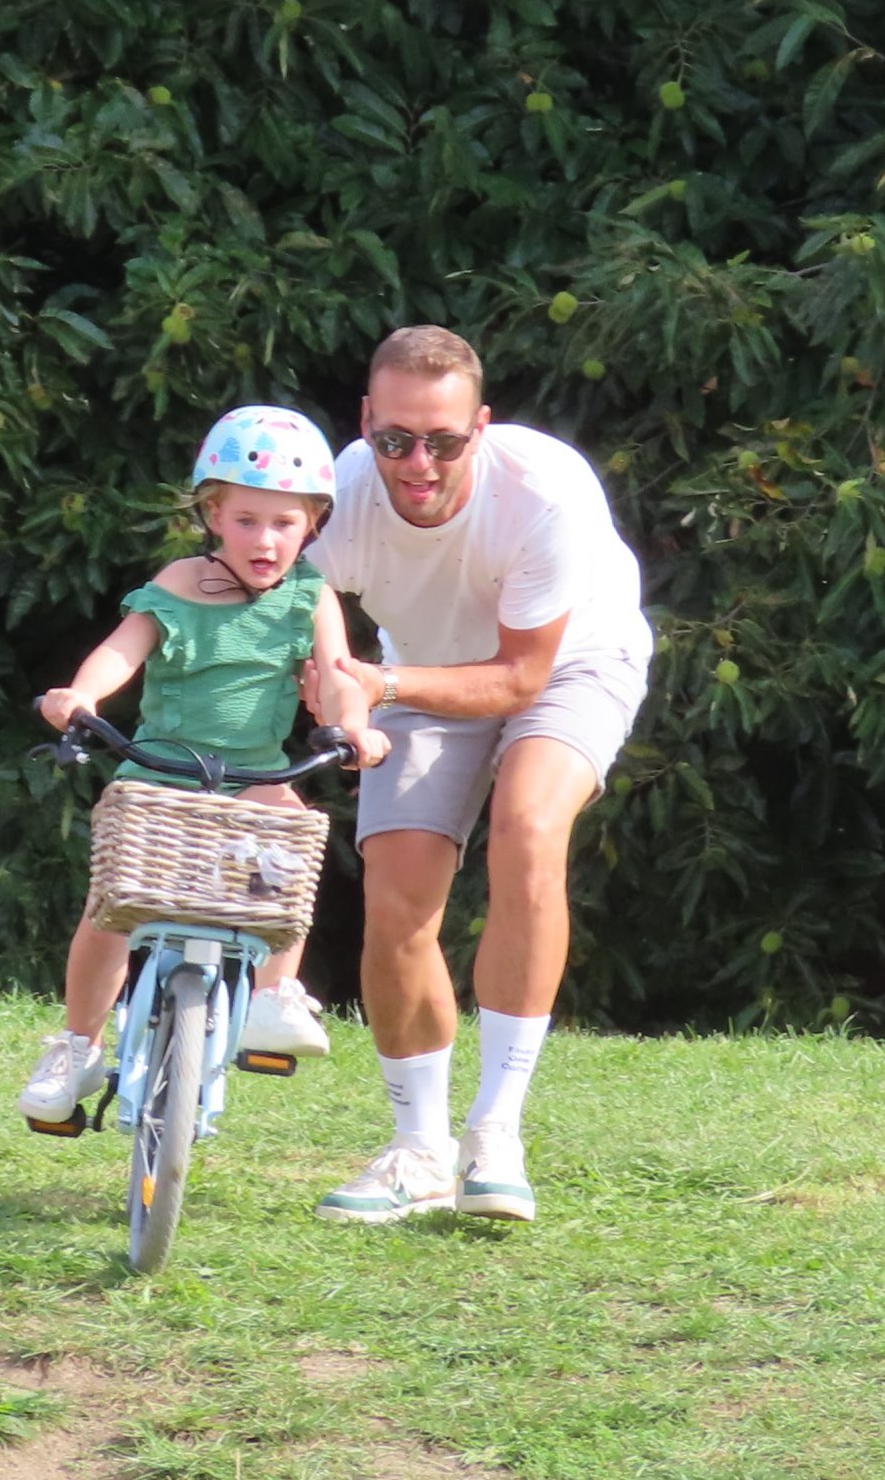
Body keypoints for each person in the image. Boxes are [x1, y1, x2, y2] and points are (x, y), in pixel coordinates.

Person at [301, 326, 651, 1224]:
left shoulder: (541, 494)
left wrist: (375, 684)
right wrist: (331, 681)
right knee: (396, 888)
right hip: (419, 670)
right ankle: (420, 1150)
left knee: (529, 828)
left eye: (444, 441)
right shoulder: (338, 493)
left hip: (569, 662)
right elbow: (298, 601)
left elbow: (519, 679)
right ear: (366, 422)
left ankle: (496, 1132)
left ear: (480, 428)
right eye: (395, 440)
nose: (418, 464)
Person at [17, 405, 390, 1124]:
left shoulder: (311, 597)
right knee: (111, 908)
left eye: (284, 523)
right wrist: (82, 695)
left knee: (291, 847)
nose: (265, 539)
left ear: (313, 524)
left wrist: (355, 726)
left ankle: (272, 996)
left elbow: (339, 674)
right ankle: (77, 1045)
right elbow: (122, 649)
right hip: (159, 773)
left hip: (254, 777)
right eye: (246, 520)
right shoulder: (180, 582)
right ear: (213, 514)